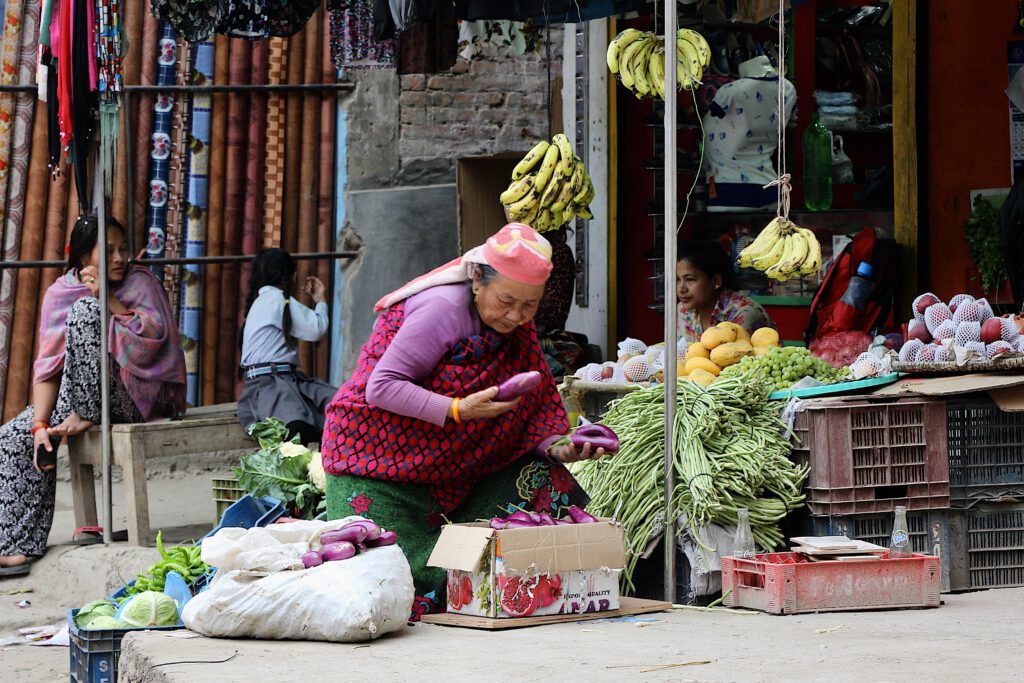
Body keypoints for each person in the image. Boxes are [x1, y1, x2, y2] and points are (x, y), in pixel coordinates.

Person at [320, 223, 610, 617]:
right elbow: (382, 387)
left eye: (530, 306)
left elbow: (532, 411)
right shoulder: (441, 309)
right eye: (507, 300)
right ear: (477, 279)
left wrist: (561, 446)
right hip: (382, 462)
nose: (516, 316)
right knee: (386, 580)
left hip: (463, 468)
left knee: (546, 480)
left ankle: (537, 587)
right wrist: (458, 409)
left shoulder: (517, 328)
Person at [0, 215, 186, 577]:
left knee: (86, 311)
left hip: (137, 396)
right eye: (110, 250)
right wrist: (39, 424)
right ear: (85, 257)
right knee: (11, 438)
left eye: (123, 248)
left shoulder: (140, 283)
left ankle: (86, 411)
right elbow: (49, 366)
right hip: (77, 393)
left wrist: (106, 299)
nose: (120, 258)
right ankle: (15, 545)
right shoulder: (59, 293)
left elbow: (156, 341)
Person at [238, 248, 336, 445]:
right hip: (271, 384)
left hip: (282, 380)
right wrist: (320, 301)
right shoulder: (276, 300)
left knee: (333, 402)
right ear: (289, 275)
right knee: (298, 427)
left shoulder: (261, 302)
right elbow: (316, 329)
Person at [677, 239, 776, 343]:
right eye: (678, 279)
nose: (681, 288)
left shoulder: (744, 313)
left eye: (690, 279)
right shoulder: (682, 311)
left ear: (716, 281)